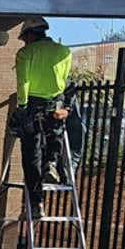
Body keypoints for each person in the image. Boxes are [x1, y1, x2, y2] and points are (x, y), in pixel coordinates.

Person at [11, 17, 74, 208]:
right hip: (55, 103)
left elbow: (23, 82)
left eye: (25, 38)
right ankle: (52, 163)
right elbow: (64, 81)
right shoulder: (64, 51)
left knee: (32, 154)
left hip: (32, 104)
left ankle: (36, 203)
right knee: (54, 135)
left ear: (30, 34)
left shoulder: (25, 53)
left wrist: (21, 107)